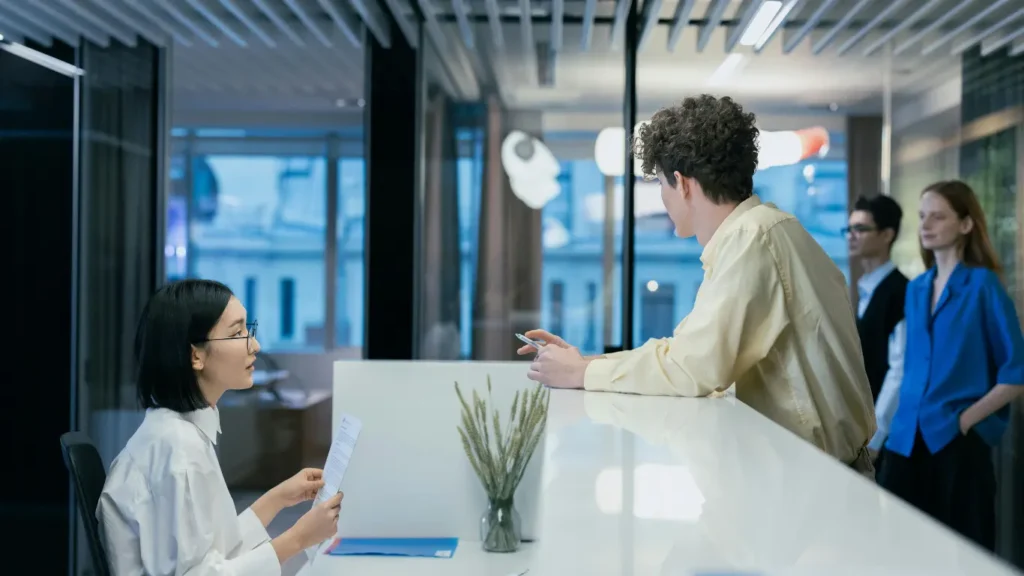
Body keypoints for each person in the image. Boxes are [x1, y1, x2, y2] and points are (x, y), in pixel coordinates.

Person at [519, 94, 877, 475]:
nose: (662, 197)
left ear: (682, 183)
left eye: (660, 183)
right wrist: (586, 362)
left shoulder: (750, 241)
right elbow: (689, 352)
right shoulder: (765, 231)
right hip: (812, 471)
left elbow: (692, 369)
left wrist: (580, 373)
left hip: (816, 479)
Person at [98, 279, 343, 575]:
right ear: (195, 355)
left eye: (247, 330)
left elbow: (211, 550)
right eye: (237, 333)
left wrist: (278, 498)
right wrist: (298, 539)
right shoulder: (179, 450)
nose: (254, 345)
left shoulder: (173, 434)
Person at [877, 180, 1024, 551]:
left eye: (938, 217)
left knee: (961, 559)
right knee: (899, 555)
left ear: (965, 224)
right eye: (923, 216)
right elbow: (910, 369)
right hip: (904, 443)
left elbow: (1017, 372)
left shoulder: (982, 286)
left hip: (955, 445)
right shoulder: (916, 288)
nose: (926, 225)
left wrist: (966, 420)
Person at [845, 195, 909, 462]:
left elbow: (899, 369)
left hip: (885, 437)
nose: (851, 235)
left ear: (886, 235)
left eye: (861, 229)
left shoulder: (900, 291)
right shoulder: (866, 287)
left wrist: (877, 435)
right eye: (849, 228)